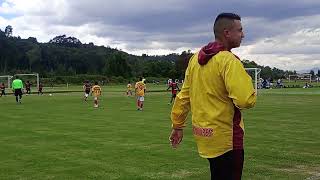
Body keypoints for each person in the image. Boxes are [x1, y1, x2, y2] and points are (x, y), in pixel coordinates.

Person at [169, 13, 256, 180]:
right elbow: (246, 100)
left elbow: (183, 96)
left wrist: (177, 125)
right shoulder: (228, 61)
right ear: (226, 33)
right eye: (240, 30)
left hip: (205, 135)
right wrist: (247, 83)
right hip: (226, 137)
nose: (243, 35)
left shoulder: (195, 59)